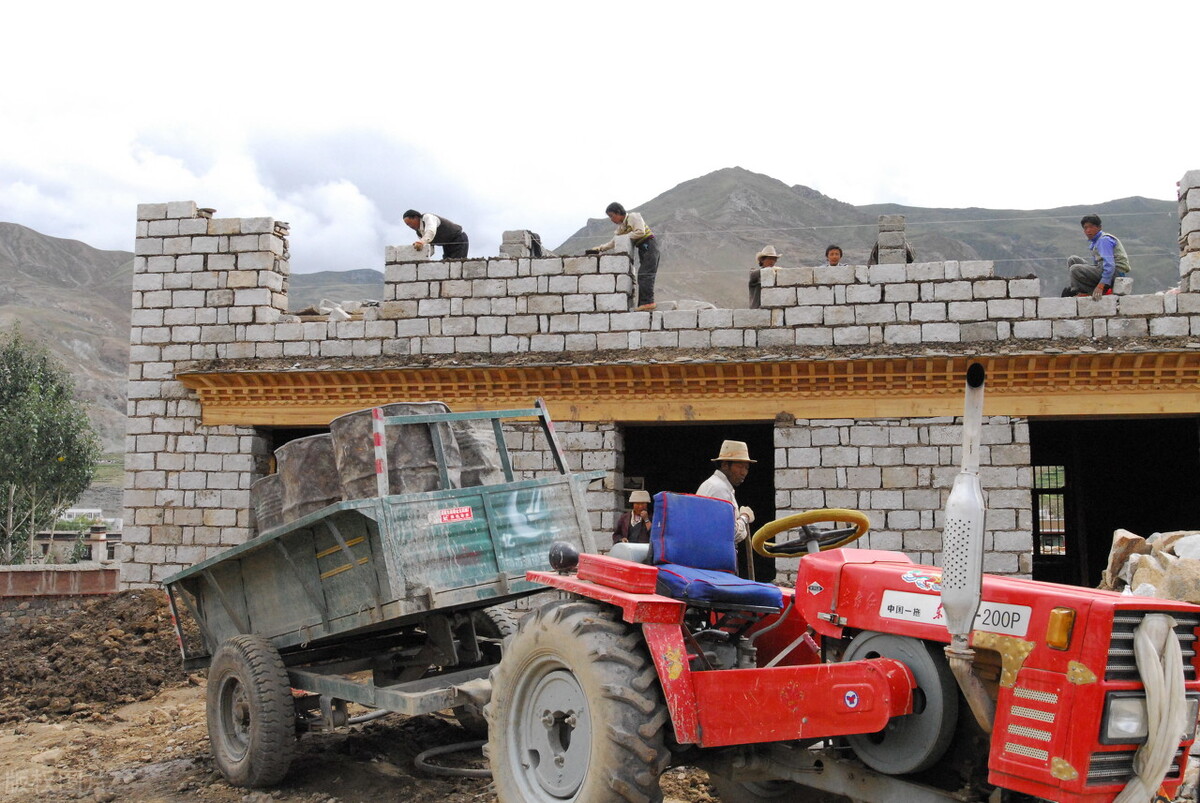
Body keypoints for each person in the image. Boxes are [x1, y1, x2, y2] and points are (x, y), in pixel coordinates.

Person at [696, 440, 774, 582]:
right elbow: (730, 534)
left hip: (709, 561)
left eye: (747, 468)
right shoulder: (719, 489)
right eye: (740, 467)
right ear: (725, 465)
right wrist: (744, 517)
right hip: (715, 565)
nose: (744, 472)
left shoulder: (713, 485)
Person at [584, 202, 659, 311]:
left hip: (649, 245)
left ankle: (648, 302)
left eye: (611, 216)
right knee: (642, 274)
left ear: (618, 212)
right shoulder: (622, 228)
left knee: (646, 274)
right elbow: (614, 241)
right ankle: (643, 304)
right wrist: (600, 248)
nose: (611, 219)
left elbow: (640, 232)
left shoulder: (634, 217)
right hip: (642, 249)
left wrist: (625, 237)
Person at [1063, 214, 1131, 300]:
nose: (1088, 230)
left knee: (1075, 269)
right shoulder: (1095, 242)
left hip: (1114, 273)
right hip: (1103, 269)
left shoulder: (1104, 240)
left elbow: (1110, 265)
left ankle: (1083, 292)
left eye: (1091, 227)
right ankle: (1082, 290)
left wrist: (1101, 285)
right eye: (1085, 228)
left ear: (1099, 227)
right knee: (1073, 260)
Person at [402, 210, 469, 260]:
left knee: (456, 265)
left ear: (416, 218)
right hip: (446, 245)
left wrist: (421, 242)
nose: (410, 226)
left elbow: (431, 231)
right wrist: (419, 258)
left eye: (409, 223)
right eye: (407, 225)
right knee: (447, 266)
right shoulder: (419, 233)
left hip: (458, 240)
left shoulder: (427, 217)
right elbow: (430, 248)